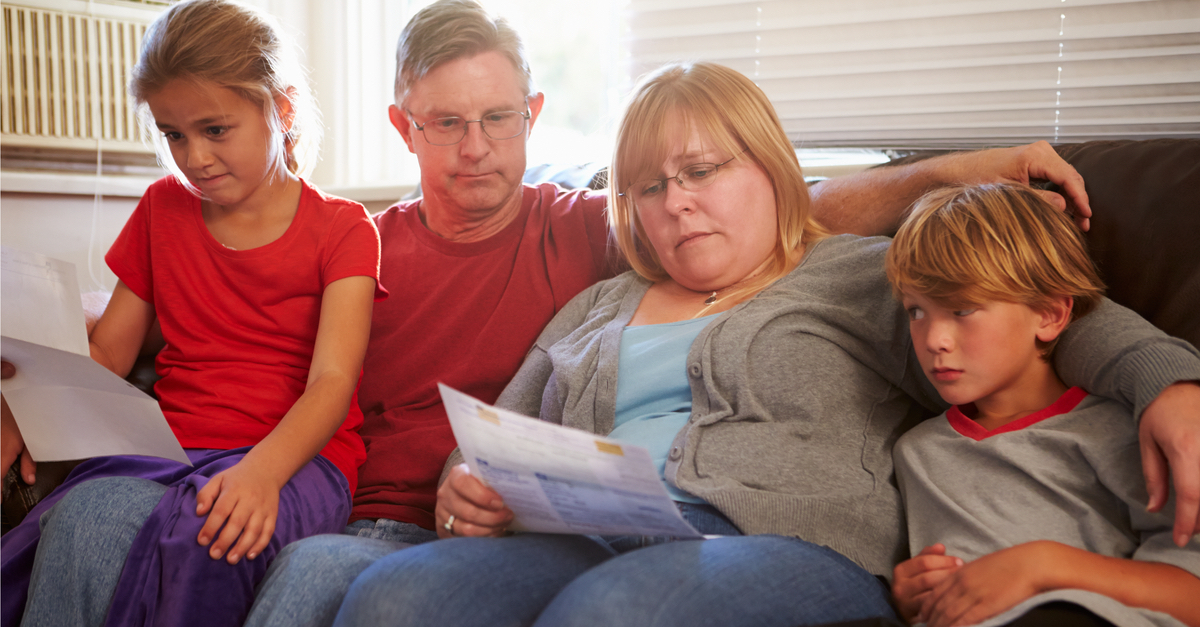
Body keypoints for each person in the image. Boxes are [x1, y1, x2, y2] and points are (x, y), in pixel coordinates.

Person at [237, 2, 1200, 625]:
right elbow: (490, 442)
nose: (677, 202)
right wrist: (464, 490)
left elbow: (1041, 318)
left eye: (704, 173)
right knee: (391, 601)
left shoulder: (859, 274)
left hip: (781, 545)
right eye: (651, 185)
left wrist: (1168, 379)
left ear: (772, 174)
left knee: (614, 613)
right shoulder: (596, 303)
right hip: (577, 530)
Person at [0, 0, 383, 625]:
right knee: (76, 520)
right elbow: (109, 354)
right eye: (173, 134)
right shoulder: (161, 209)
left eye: (215, 129)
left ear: (280, 109)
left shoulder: (344, 229)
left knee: (214, 540)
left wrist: (261, 473)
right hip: (168, 449)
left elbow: (333, 383)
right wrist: (23, 402)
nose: (194, 157)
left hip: (295, 458)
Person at [886, 184, 1200, 627]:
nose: (934, 340)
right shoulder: (916, 452)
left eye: (963, 310)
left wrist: (1043, 567)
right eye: (916, 312)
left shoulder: (1122, 432)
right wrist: (908, 596)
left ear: (1050, 315)